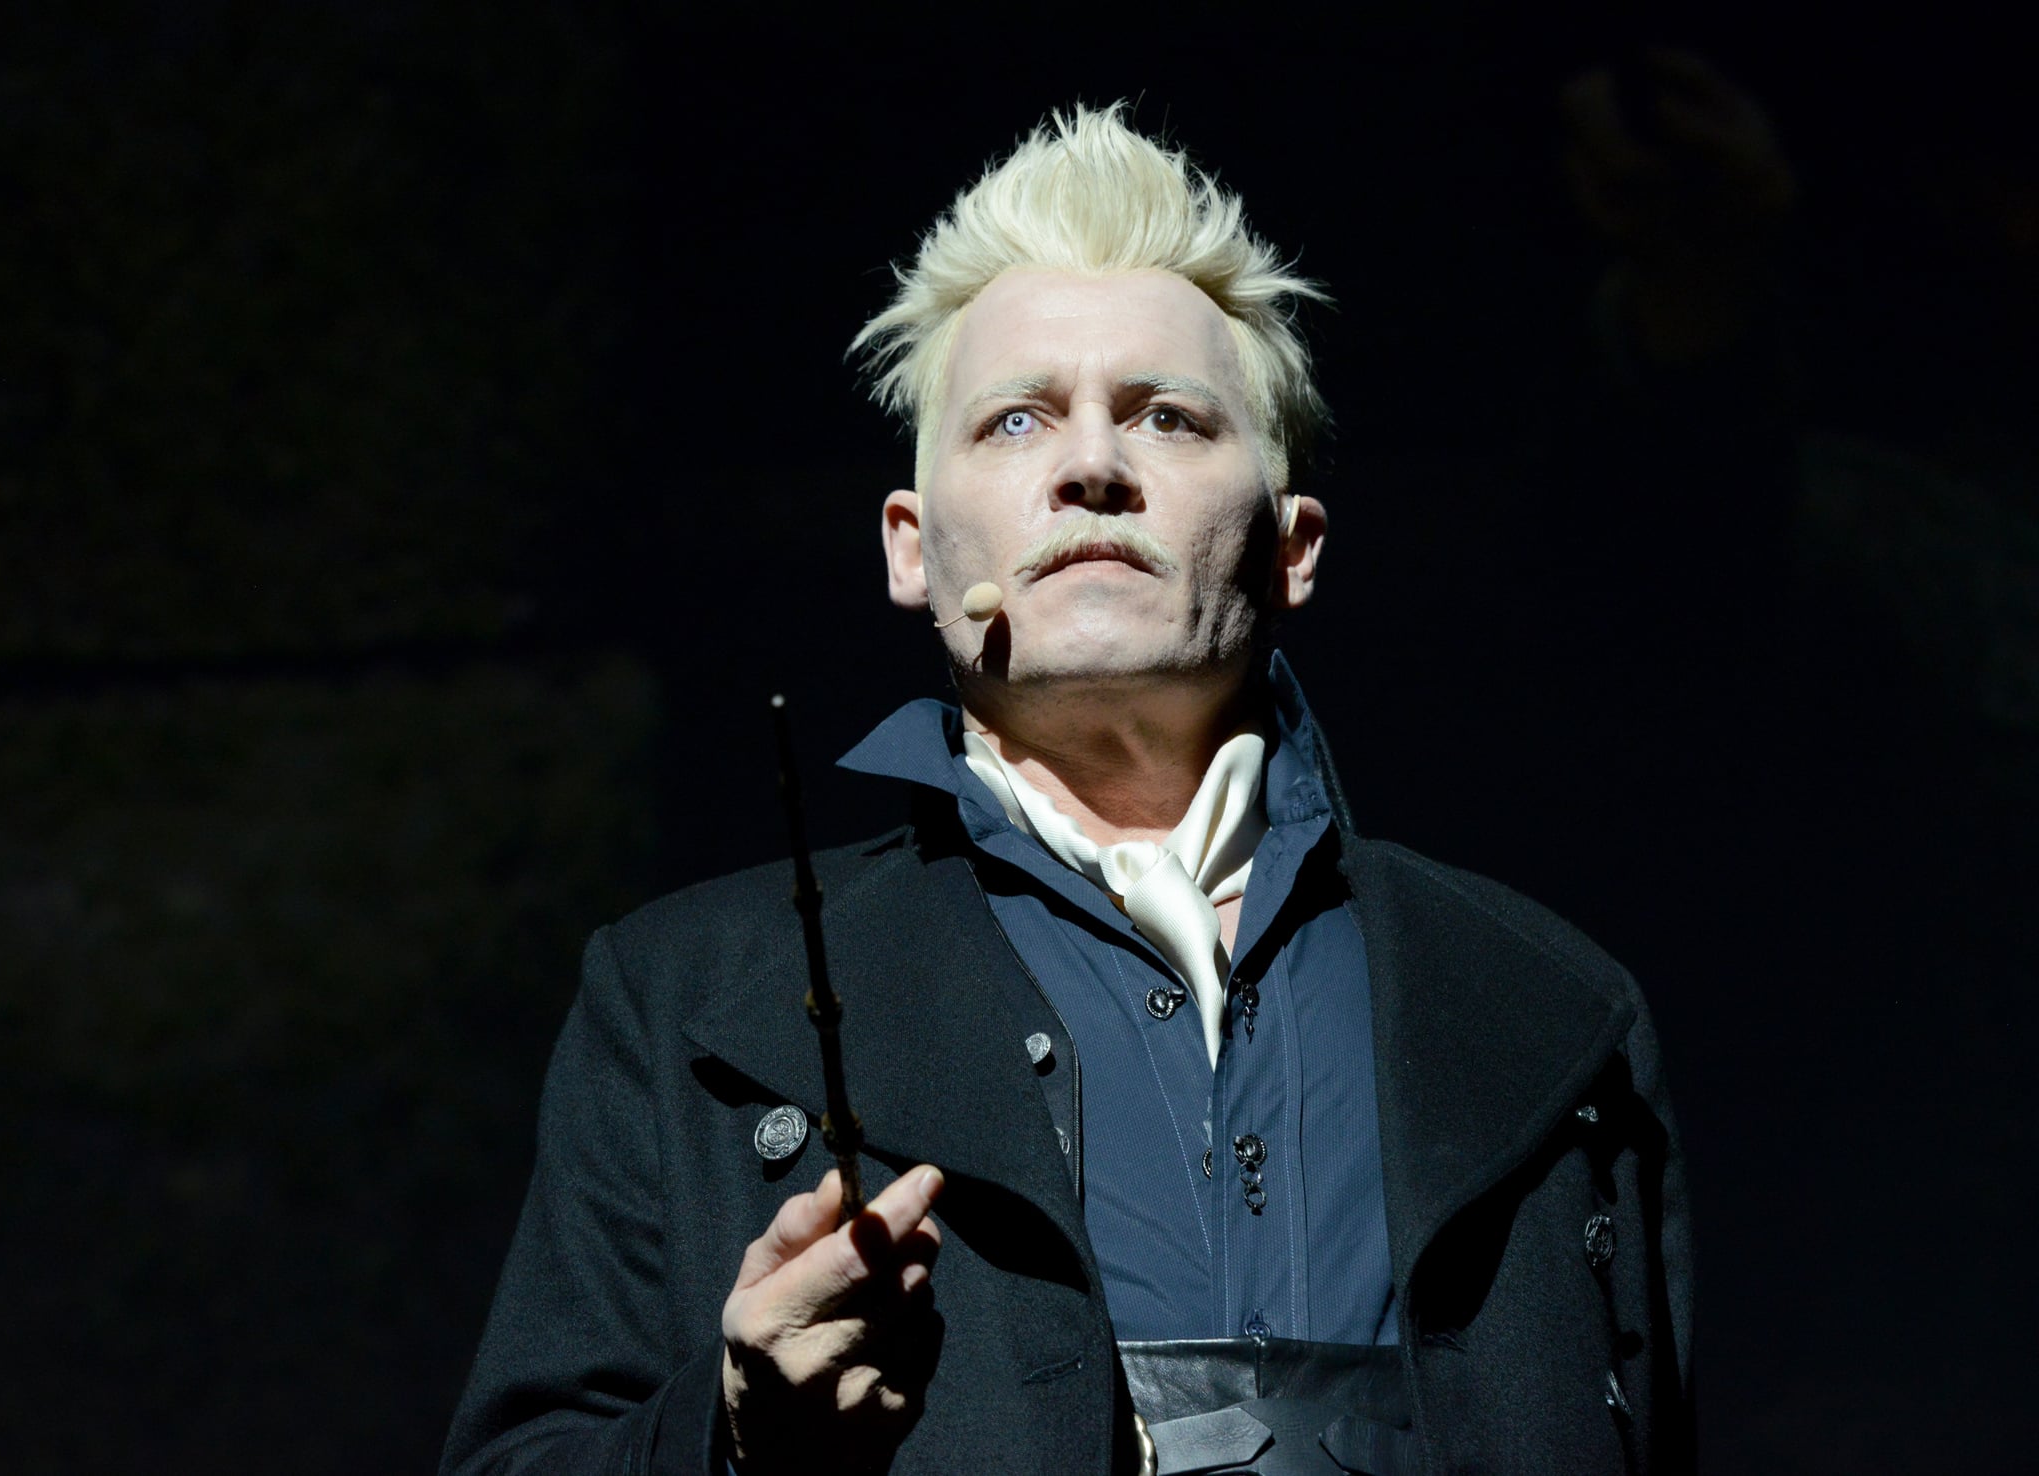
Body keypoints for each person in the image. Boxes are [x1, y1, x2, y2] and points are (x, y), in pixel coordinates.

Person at [440, 103, 1693, 1475]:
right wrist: (736, 1437)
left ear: (1293, 548)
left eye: (1167, 416)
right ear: (912, 549)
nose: (1092, 466)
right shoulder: (684, 1003)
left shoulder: (1549, 1008)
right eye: (1018, 419)